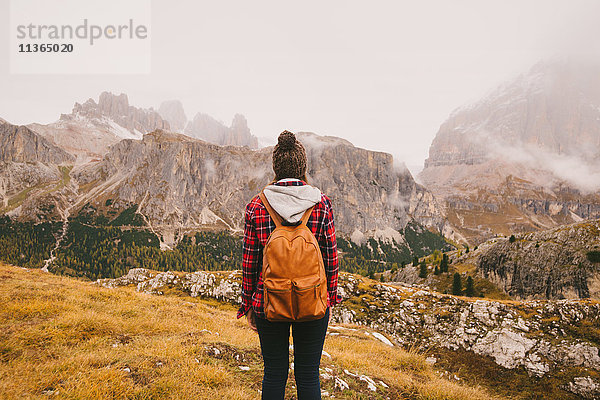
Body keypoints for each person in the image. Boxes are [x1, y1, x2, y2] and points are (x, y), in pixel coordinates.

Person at [237, 130, 340, 400]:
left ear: (276, 167)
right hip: (313, 300)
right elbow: (330, 257)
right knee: (308, 374)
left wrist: (248, 303)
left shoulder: (257, 206)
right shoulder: (321, 204)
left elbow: (250, 263)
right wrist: (331, 296)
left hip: (268, 301)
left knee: (274, 372)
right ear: (302, 167)